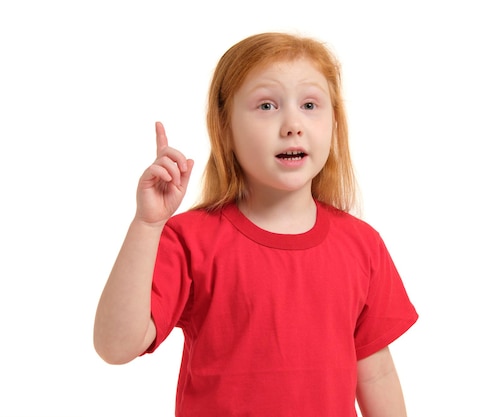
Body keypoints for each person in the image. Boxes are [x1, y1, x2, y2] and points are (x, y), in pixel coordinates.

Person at [93, 32, 418, 417]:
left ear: (334, 123)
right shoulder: (190, 239)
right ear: (225, 129)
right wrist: (147, 226)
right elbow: (116, 346)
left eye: (311, 104)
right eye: (266, 105)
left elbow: (376, 373)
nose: (293, 124)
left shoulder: (363, 245)